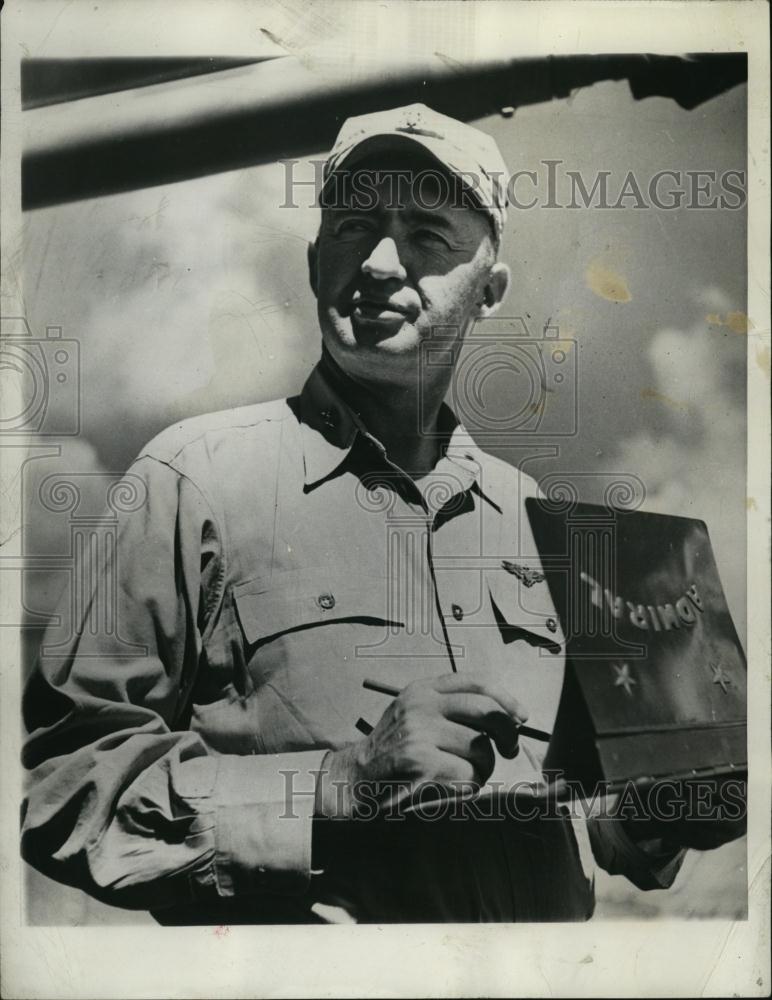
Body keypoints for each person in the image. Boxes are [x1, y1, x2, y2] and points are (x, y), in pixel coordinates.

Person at [20, 103, 743, 924]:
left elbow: (610, 825)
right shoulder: (192, 480)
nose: (379, 261)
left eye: (429, 234)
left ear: (490, 291)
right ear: (312, 260)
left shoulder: (548, 523)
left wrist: (674, 807)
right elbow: (63, 791)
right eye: (353, 227)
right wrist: (340, 781)